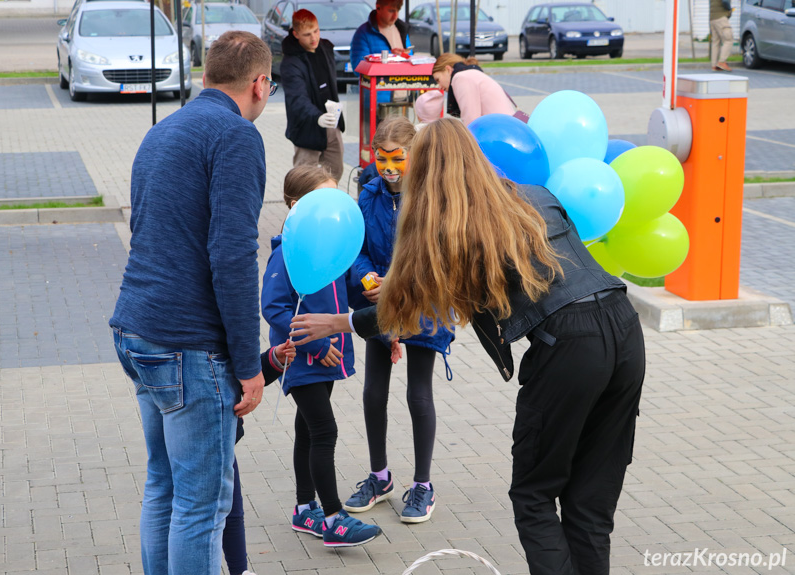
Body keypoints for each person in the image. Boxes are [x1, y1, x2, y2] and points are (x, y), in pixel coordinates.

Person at [289, 118, 646, 575]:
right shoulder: (534, 194)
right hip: (624, 328)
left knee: (534, 497)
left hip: (570, 345)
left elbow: (407, 305)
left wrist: (339, 321)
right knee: (589, 505)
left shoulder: (450, 228)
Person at [109, 31, 275, 575]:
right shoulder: (236, 137)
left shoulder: (162, 131)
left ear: (204, 77)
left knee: (165, 486)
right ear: (260, 84)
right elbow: (231, 256)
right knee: (201, 507)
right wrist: (249, 365)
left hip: (137, 328)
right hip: (187, 346)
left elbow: (146, 226)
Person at [261, 165, 382, 548]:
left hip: (329, 359)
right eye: (322, 199)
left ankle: (303, 509)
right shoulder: (286, 255)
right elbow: (274, 308)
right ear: (297, 206)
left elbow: (346, 290)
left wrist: (370, 293)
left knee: (307, 432)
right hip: (302, 360)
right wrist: (316, 344)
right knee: (324, 431)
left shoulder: (328, 248)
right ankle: (333, 518)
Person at [344, 117, 453, 524]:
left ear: (414, 155)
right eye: (381, 158)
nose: (389, 167)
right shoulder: (368, 195)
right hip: (380, 304)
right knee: (374, 393)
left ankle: (422, 485)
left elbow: (437, 252)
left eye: (398, 159)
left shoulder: (430, 197)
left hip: (425, 302)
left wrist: (398, 281)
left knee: (418, 395)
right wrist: (366, 276)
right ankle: (380, 476)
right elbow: (355, 248)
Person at [224, 341, 296, 575]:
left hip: (222, 435)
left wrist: (273, 359)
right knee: (198, 516)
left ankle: (240, 571)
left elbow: (238, 372)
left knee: (233, 511)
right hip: (205, 429)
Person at [281, 9, 345, 180]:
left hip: (331, 123)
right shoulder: (290, 63)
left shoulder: (325, 48)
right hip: (306, 127)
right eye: (307, 34)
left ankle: (329, 205)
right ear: (295, 34)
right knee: (304, 180)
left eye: (316, 31)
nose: (314, 38)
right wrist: (317, 117)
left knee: (335, 173)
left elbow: (330, 84)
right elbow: (297, 99)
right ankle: (302, 206)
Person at [431, 53, 516, 125]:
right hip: (506, 126)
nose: (439, 86)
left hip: (499, 130)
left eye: (438, 80)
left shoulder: (460, 77)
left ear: (448, 69)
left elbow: (471, 121)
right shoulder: (471, 73)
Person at [350, 0, 412, 73]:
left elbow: (410, 61)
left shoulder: (402, 30)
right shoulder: (363, 33)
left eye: (397, 11)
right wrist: (391, 58)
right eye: (391, 11)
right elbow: (358, 67)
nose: (395, 16)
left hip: (401, 82)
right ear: (378, 8)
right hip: (377, 83)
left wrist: (402, 56)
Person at [709, 0, 733, 72]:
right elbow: (725, 1)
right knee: (728, 40)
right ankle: (722, 62)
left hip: (712, 18)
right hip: (721, 17)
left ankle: (714, 65)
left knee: (715, 42)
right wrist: (730, 10)